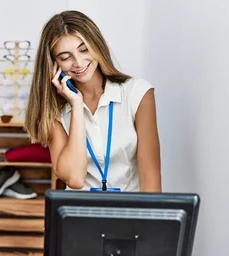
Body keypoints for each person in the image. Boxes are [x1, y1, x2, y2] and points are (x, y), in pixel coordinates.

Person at [25, 10, 161, 192]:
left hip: (131, 215)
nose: (79, 62)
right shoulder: (53, 111)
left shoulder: (138, 93)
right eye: (65, 57)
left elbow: (151, 177)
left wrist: (148, 219)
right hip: (79, 216)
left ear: (97, 46)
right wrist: (76, 105)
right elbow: (75, 179)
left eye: (84, 50)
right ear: (54, 65)